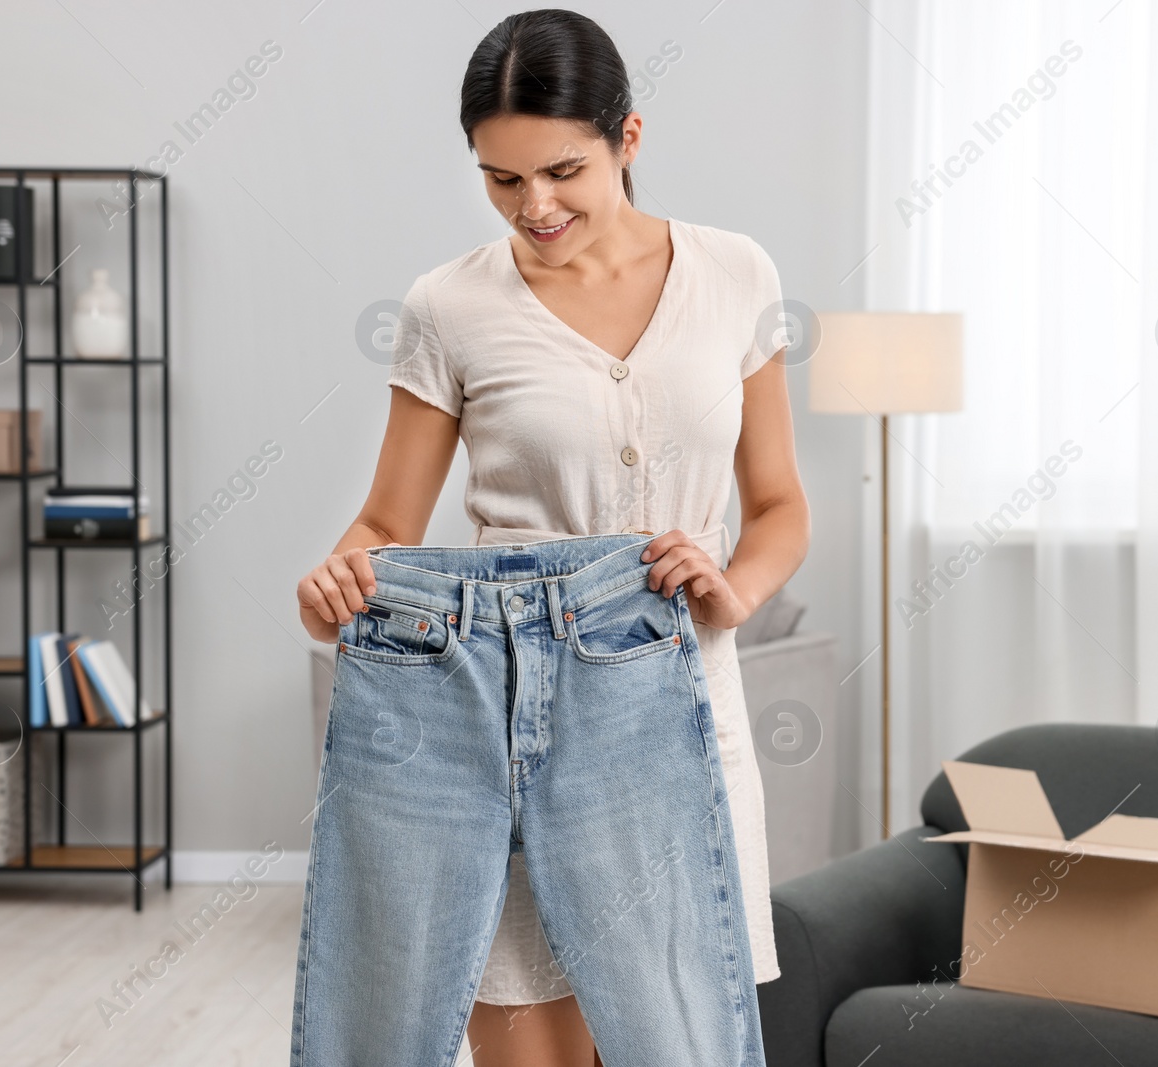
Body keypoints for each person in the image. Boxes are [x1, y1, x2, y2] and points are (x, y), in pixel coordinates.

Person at [295, 8, 810, 1066]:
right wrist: (338, 575)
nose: (534, 207)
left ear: (628, 137)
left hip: (675, 698)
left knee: (674, 1040)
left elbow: (779, 506)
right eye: (500, 178)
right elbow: (386, 522)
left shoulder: (734, 275)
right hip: (494, 706)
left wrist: (735, 588)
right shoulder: (449, 305)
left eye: (561, 171)